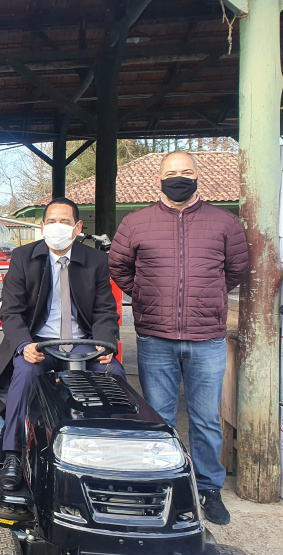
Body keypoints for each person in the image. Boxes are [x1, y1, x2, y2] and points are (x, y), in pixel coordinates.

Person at [110, 151, 248, 525]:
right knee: (160, 418)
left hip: (207, 338)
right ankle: (165, 483)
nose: (179, 178)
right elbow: (119, 267)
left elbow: (236, 270)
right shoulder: (137, 222)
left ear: (198, 176)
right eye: (172, 172)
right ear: (159, 179)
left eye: (187, 171)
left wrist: (209, 298)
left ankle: (208, 487)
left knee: (205, 418)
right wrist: (145, 294)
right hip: (156, 337)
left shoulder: (224, 222)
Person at [0, 197, 123, 490]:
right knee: (23, 372)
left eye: (64, 221)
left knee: (114, 376)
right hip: (41, 344)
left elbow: (105, 311)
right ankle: (12, 453)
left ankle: (114, 456)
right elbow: (11, 312)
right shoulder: (24, 258)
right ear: (42, 226)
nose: (57, 227)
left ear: (77, 228)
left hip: (84, 343)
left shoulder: (96, 261)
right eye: (51, 221)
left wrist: (104, 343)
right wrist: (24, 344)